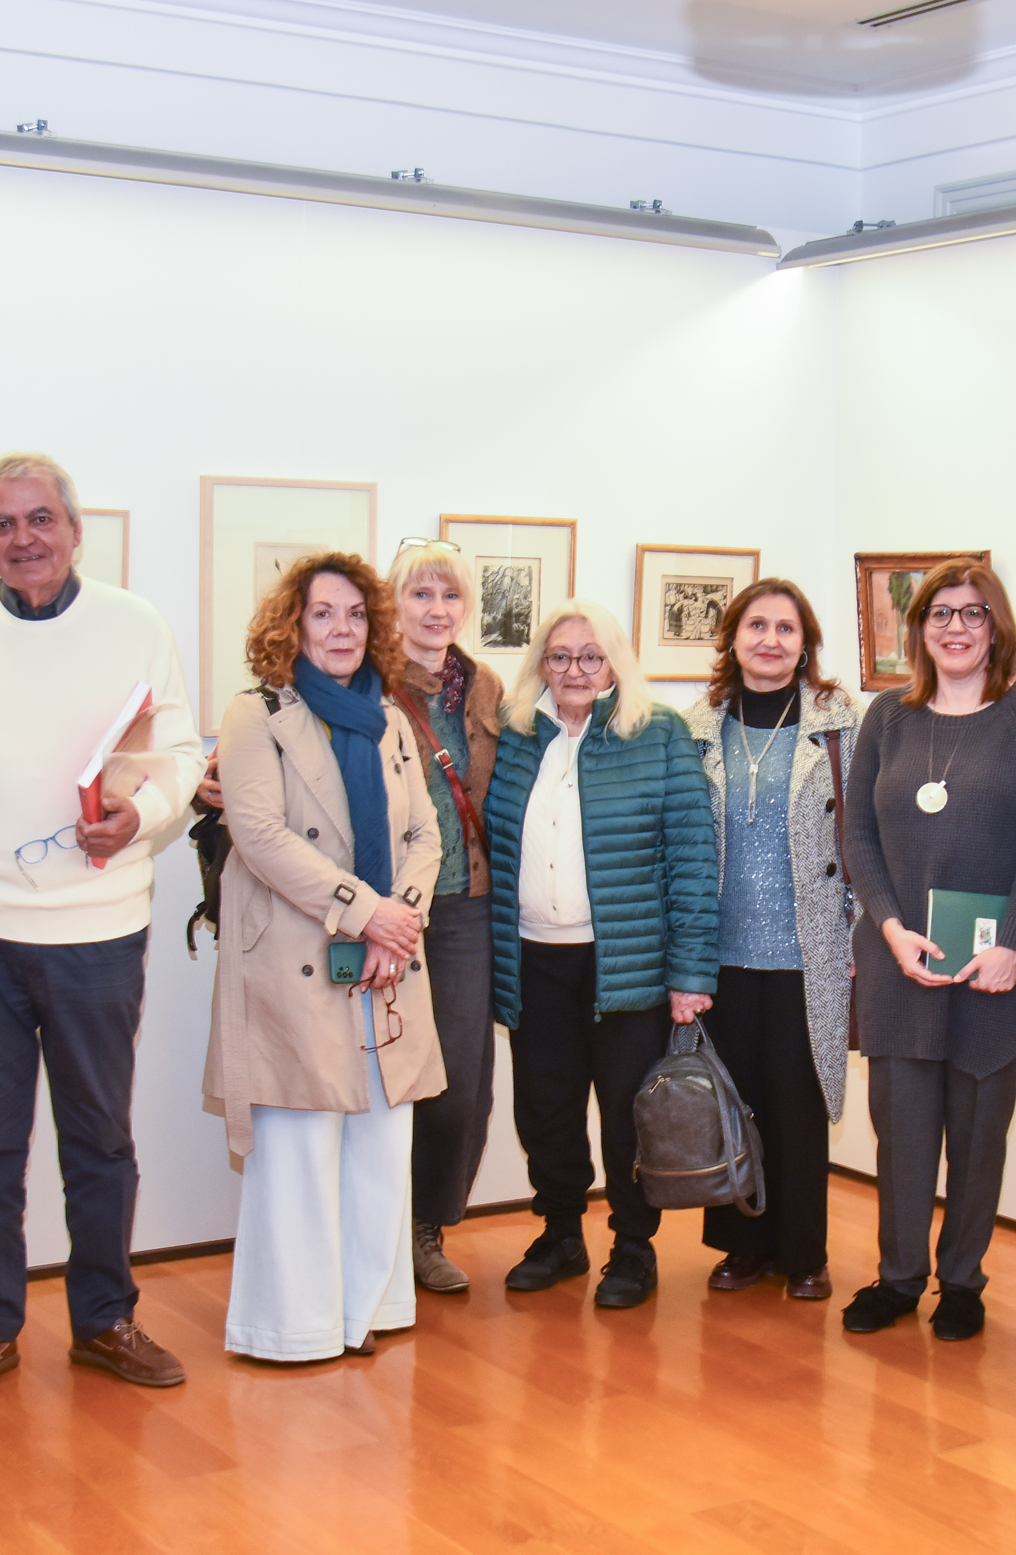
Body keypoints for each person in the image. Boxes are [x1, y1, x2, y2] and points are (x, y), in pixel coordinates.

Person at [0, 454, 205, 1407]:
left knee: (98, 1141)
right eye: (1, 524)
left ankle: (105, 1320)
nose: (23, 538)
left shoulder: (135, 625)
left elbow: (181, 756)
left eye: (40, 518)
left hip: (98, 930)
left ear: (74, 528)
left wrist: (140, 820)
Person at [203, 554, 445, 1361]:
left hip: (384, 962)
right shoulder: (255, 713)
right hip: (299, 956)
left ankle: (366, 1310)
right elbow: (261, 836)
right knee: (301, 1145)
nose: (341, 630)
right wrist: (364, 910)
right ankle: (294, 1328)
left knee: (381, 1138)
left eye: (354, 615)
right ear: (292, 627)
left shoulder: (393, 717)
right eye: (322, 615)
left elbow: (424, 835)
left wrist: (400, 920)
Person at [841, 558, 1016, 1342]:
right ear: (920, 628)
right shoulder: (888, 717)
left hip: (992, 967)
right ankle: (898, 1277)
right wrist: (890, 928)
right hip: (901, 961)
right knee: (901, 1133)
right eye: (941, 613)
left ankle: (962, 1281)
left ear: (996, 625)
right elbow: (857, 834)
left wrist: (1012, 942)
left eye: (974, 613)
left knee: (978, 1133)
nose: (957, 628)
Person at [481, 600, 719, 1308]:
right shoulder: (519, 736)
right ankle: (560, 1234)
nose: (574, 670)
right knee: (545, 1111)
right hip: (534, 960)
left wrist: (690, 974)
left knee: (626, 1116)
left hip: (628, 966)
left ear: (614, 663)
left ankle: (633, 1248)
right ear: (540, 666)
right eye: (559, 657)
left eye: (590, 656)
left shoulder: (658, 735)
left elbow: (692, 859)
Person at [688, 578, 860, 1301]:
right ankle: (742, 1247)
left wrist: (853, 936)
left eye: (786, 629)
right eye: (756, 626)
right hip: (720, 956)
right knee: (735, 1103)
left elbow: (862, 840)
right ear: (732, 637)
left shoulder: (840, 728)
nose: (770, 640)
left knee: (797, 1104)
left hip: (806, 951)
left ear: (804, 644)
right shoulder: (696, 727)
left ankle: (804, 1252)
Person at [387, 539, 506, 1294]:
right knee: (375, 1070)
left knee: (460, 1076)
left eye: (450, 598)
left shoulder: (489, 688)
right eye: (420, 596)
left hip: (464, 902)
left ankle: (427, 1225)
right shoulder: (361, 680)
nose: (436, 612)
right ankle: (371, 1224)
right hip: (385, 904)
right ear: (393, 604)